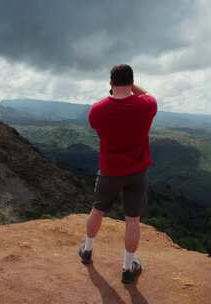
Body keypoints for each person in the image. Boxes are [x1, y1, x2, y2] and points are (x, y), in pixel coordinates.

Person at [78, 64, 157, 284]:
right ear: (131, 83)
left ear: (111, 83)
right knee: (132, 221)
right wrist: (133, 88)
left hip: (109, 171)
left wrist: (114, 94)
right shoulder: (147, 105)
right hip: (137, 172)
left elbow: (99, 123)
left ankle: (87, 250)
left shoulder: (97, 110)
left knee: (98, 210)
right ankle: (128, 266)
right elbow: (147, 94)